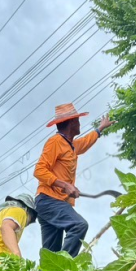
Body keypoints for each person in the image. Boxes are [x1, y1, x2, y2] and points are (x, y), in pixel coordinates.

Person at [34, 103, 113, 256]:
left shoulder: (71, 145)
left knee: (51, 255)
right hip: (49, 200)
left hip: (53, 203)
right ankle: (64, 266)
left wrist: (100, 129)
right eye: (77, 120)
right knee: (79, 225)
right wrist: (65, 185)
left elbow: (84, 142)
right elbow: (39, 170)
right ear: (71, 123)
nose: (79, 123)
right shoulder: (55, 142)